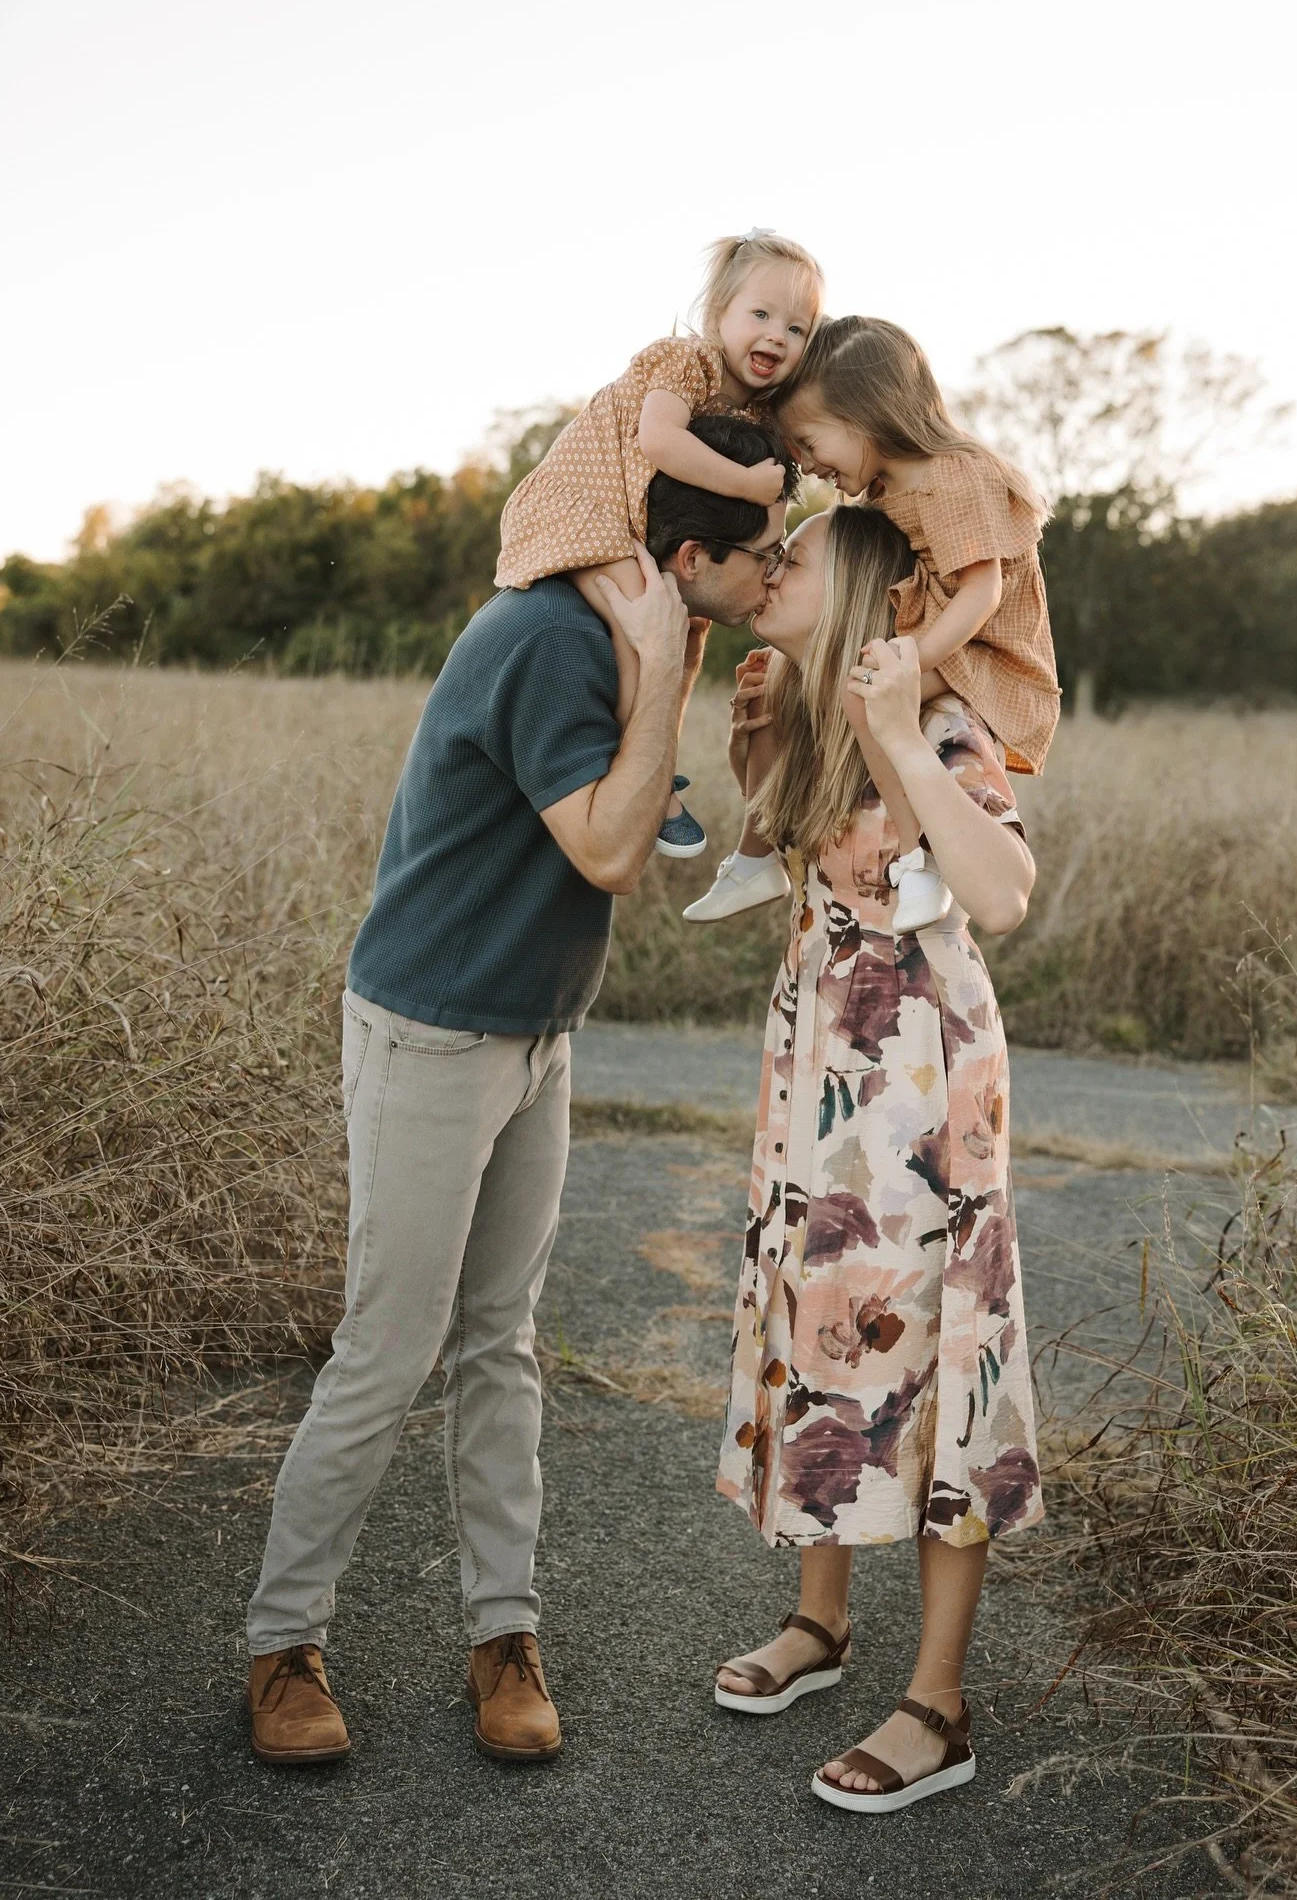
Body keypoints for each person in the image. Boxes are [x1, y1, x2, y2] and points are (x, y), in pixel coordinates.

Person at [244, 415, 798, 1769]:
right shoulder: (555, 641)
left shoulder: (615, 628)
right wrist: (666, 660)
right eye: (759, 556)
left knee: (502, 1344)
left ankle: (505, 1634)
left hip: (535, 1031)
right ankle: (281, 1646)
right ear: (682, 557)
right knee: (389, 1350)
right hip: (434, 1034)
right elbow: (615, 852)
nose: (775, 575)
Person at [712, 504, 1044, 1814]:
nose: (771, 568)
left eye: (794, 553)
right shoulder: (791, 703)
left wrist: (902, 733)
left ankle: (938, 1704)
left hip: (921, 1080)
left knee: (935, 1344)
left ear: (852, 587)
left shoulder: (938, 715)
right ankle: (823, 1621)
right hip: (822, 1066)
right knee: (823, 1317)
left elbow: (1004, 892)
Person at [684, 314, 1058, 936]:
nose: (807, 462)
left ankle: (920, 863)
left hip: (984, 648)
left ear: (866, 417)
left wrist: (906, 666)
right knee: (808, 685)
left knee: (866, 693)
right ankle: (753, 861)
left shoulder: (955, 477)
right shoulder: (884, 491)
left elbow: (982, 591)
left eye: (809, 442)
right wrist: (752, 751)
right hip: (811, 1017)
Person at [496, 231, 822, 859]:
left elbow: (784, 469)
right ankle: (633, 772)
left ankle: (659, 759)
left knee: (686, 632)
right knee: (642, 621)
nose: (778, 336)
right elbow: (660, 443)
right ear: (717, 316)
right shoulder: (684, 362)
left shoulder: (754, 407)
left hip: (629, 519)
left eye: (797, 328)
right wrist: (750, 485)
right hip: (580, 508)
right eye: (760, 314)